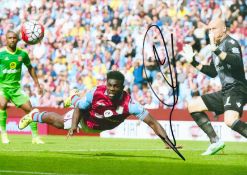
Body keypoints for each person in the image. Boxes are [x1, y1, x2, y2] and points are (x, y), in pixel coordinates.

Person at [18, 71, 181, 150]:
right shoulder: (96, 92)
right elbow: (79, 109)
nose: (111, 89)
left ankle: (73, 96)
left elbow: (152, 123)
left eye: (116, 86)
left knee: (78, 102)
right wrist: (74, 125)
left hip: (100, 124)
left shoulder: (130, 104)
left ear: (122, 87)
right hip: (85, 119)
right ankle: (35, 115)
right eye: (109, 85)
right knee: (61, 123)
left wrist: (169, 144)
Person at [182, 18, 247, 155]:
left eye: (214, 29)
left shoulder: (231, 43)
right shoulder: (214, 47)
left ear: (224, 29)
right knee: (193, 106)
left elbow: (236, 62)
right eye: (209, 29)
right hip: (225, 90)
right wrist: (193, 62)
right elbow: (212, 72)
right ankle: (215, 141)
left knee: (230, 121)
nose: (211, 32)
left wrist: (216, 50)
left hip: (237, 88)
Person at [0, 30, 44, 144]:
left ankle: (35, 137)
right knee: (2, 104)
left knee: (30, 110)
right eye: (10, 38)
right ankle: (4, 134)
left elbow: (30, 67)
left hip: (16, 88)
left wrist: (37, 84)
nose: (12, 40)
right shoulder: (1, 54)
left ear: (18, 39)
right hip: (2, 87)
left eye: (14, 38)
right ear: (6, 39)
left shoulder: (22, 54)